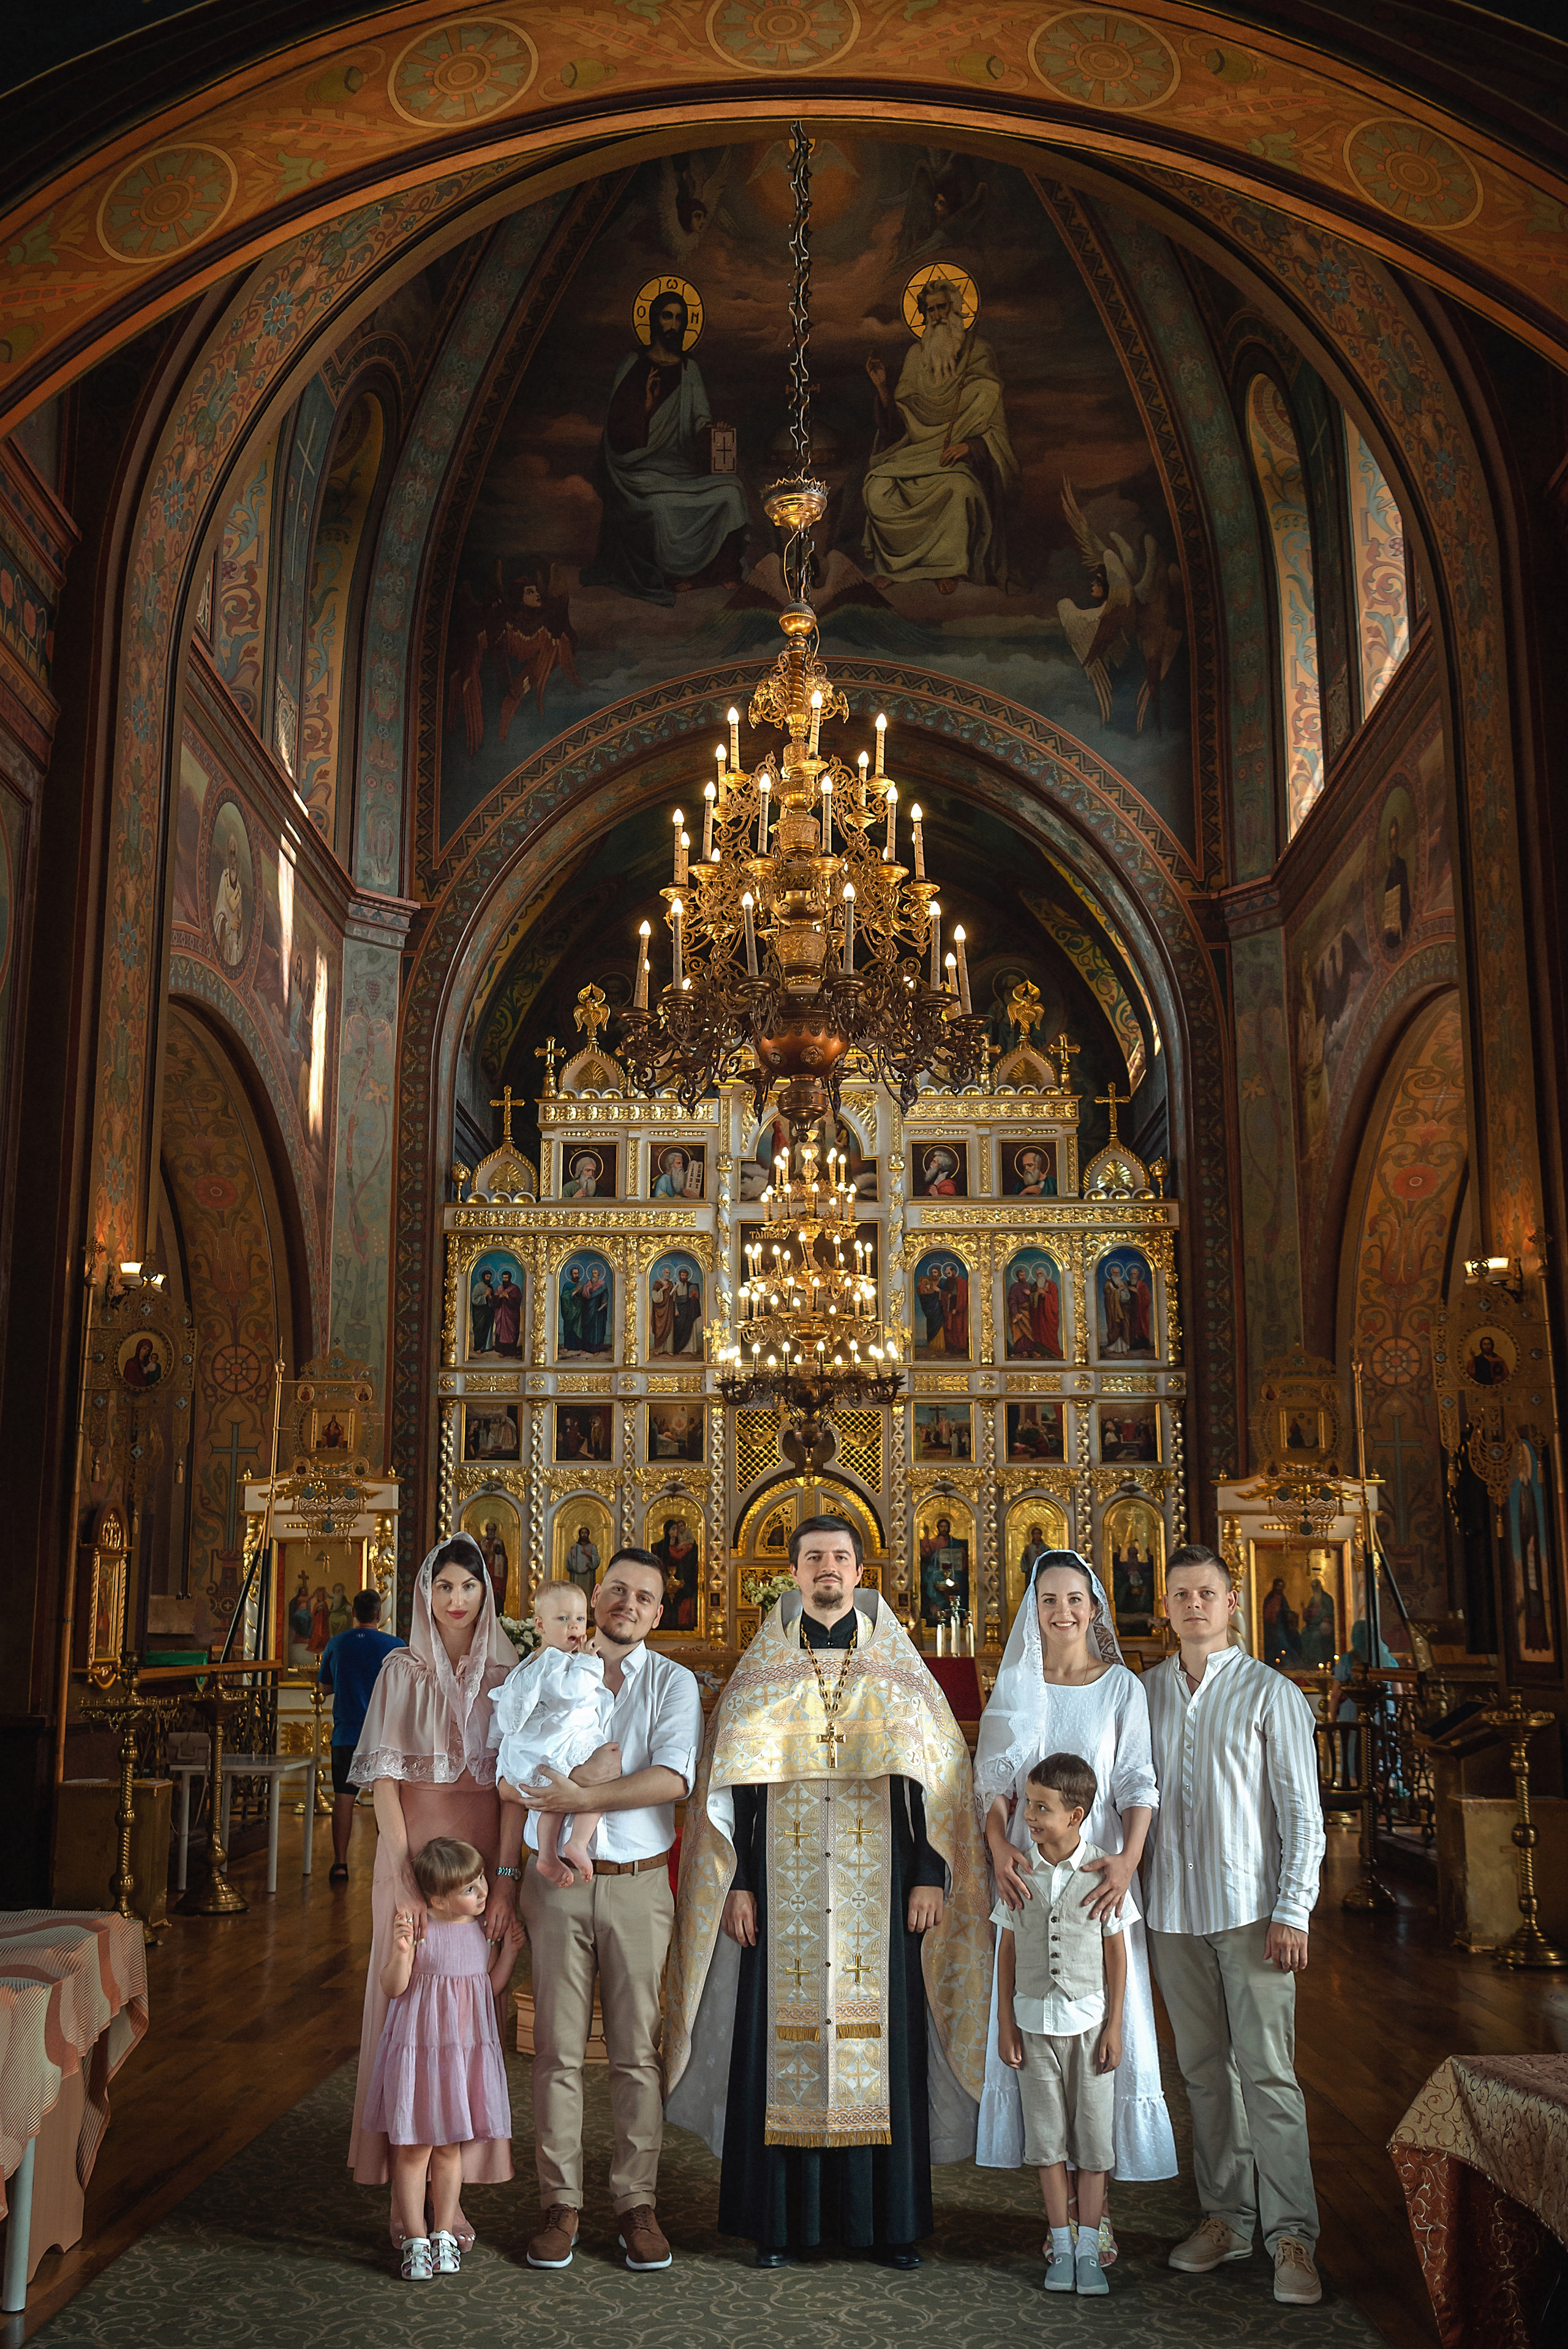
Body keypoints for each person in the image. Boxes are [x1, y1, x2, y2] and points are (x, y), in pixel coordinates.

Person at [664, 1515, 990, 2270]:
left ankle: (889, 2226)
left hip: (884, 1895)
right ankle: (781, 2225)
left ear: (859, 1568)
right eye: (814, 1558)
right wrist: (739, 1885)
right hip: (781, 1892)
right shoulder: (762, 1669)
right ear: (794, 1571)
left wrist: (929, 1876)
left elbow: (936, 1779)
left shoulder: (899, 1668)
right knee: (785, 2041)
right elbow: (735, 1790)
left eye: (840, 1557)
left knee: (883, 2047)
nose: (828, 1569)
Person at [974, 1550, 1175, 2253]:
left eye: (1075, 1599)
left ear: (1095, 1609)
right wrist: (999, 1848)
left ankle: (1099, 2215)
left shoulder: (1120, 1687)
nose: (1062, 1611)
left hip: (1100, 1878)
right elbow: (993, 1788)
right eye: (1048, 1599)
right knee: (1036, 2030)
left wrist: (1128, 1859)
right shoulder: (1017, 1684)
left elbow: (1140, 1784)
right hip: (1026, 1877)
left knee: (1101, 2038)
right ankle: (1056, 2218)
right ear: (1033, 1609)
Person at [1143, 1545, 1326, 2308]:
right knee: (1202, 2075)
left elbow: (1302, 1817)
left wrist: (1293, 1908)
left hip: (1252, 1912)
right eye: (1181, 1594)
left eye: (1206, 1593)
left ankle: (1292, 2237)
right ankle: (1225, 2217)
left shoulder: (1269, 1693)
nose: (1194, 1605)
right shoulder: (1144, 1691)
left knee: (1269, 2077)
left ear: (1231, 1599)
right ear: (1167, 1604)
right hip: (1171, 1915)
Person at [513, 1550, 703, 2274]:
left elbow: (673, 1777)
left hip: (638, 1883)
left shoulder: (672, 1682)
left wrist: (582, 1797)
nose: (628, 1602)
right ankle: (560, 2203)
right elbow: (514, 1759)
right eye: (617, 1589)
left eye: (644, 1597)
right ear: (596, 1598)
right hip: (555, 1878)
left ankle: (636, 2202)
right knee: (556, 2050)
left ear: (659, 1614)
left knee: (636, 2052)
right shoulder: (546, 1667)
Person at [347, 1537, 524, 2254]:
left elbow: (515, 1786)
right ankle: (404, 2204)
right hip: (410, 1854)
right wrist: (404, 1880)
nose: (455, 1599)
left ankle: (450, 2198)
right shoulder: (400, 1669)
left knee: (470, 2016)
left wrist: (506, 1879)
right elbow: (384, 1782)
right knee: (404, 2014)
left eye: (468, 1587)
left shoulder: (515, 1673)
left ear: (488, 1594)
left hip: (483, 1862)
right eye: (443, 1586)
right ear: (424, 1594)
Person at [993, 1753, 1128, 2299]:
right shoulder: (1018, 1869)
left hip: (1091, 2026)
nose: (1029, 1813)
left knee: (1093, 2142)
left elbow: (1117, 1954)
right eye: (1028, 1801)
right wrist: (1006, 2023)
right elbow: (1006, 1951)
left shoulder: (1102, 1871)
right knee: (1046, 2141)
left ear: (1076, 1815)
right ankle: (1062, 2242)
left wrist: (1115, 2024)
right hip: (1031, 2024)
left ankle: (1091, 2248)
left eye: (1042, 1806)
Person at [361, 1836, 524, 2280]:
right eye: (471, 1889)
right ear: (435, 1898)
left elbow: (487, 1987)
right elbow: (393, 1987)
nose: (484, 1892)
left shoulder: (479, 1931)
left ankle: (444, 2230)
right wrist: (400, 1951)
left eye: (481, 1881)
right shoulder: (420, 1928)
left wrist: (509, 1951)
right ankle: (414, 2236)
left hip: (460, 2060)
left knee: (450, 2149)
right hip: (419, 2057)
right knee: (414, 2151)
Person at [581, 290, 749, 605]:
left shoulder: (689, 369)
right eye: (667, 316)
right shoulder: (633, 364)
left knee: (733, 491)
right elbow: (616, 431)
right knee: (660, 509)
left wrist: (714, 430)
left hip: (681, 467)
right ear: (654, 319)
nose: (673, 324)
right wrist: (644, 407)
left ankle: (716, 573)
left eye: (679, 318)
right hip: (638, 469)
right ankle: (676, 575)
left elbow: (700, 421)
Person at [863, 273, 1019, 592]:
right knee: (877, 490)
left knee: (959, 490)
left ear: (957, 308)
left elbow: (995, 429)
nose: (936, 316)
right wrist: (882, 388)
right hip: (915, 456)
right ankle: (899, 568)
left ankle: (948, 568)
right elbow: (898, 427)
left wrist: (970, 447)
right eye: (930, 310)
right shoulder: (916, 357)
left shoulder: (979, 354)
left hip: (955, 460)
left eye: (942, 308)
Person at [492, 1584, 620, 1889]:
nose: (575, 1627)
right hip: (563, 1742)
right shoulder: (552, 1660)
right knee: (606, 1776)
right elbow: (570, 1692)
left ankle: (548, 1854)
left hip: (550, 1746)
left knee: (555, 1799)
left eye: (579, 1618)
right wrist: (589, 1661)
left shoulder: (540, 1660)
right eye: (563, 1619)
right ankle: (576, 1842)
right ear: (540, 1625)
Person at [319, 1587, 405, 1884]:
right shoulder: (395, 1645)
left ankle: (340, 1864)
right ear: (379, 1615)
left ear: (353, 1613)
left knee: (343, 1798)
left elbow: (325, 1688)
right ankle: (387, 1862)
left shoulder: (336, 1643)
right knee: (387, 1798)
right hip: (384, 1735)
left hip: (346, 1733)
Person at [564, 1525, 600, 1596]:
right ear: (580, 1534)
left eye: (586, 1533)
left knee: (588, 1592)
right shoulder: (574, 1546)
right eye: (582, 1533)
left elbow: (596, 1560)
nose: (584, 1534)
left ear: (588, 1534)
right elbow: (569, 1559)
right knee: (576, 1592)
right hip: (576, 1575)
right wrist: (573, 1564)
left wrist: (588, 1554)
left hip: (588, 1575)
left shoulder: (593, 1547)